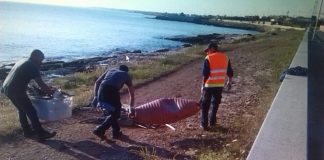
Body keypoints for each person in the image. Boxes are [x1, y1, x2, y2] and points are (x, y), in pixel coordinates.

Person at [1, 49, 57, 140]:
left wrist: (41, 89)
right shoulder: (32, 65)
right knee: (31, 111)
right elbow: (40, 83)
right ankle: (41, 133)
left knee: (22, 110)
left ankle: (27, 132)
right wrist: (50, 92)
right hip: (16, 90)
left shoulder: (23, 61)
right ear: (35, 56)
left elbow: (19, 77)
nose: (41, 62)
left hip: (6, 88)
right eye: (41, 59)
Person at [92, 64, 135, 139]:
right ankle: (100, 130)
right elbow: (132, 94)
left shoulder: (110, 70)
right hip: (112, 91)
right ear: (126, 71)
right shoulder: (126, 75)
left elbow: (97, 82)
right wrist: (131, 108)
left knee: (112, 113)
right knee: (116, 114)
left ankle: (116, 132)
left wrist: (95, 96)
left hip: (101, 89)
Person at [200, 42, 233, 131]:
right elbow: (229, 71)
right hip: (219, 85)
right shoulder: (225, 57)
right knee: (215, 104)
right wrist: (229, 82)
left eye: (208, 51)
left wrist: (202, 86)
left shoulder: (208, 58)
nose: (207, 53)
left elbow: (205, 74)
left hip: (209, 85)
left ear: (212, 48)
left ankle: (204, 124)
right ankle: (213, 122)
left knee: (205, 105)